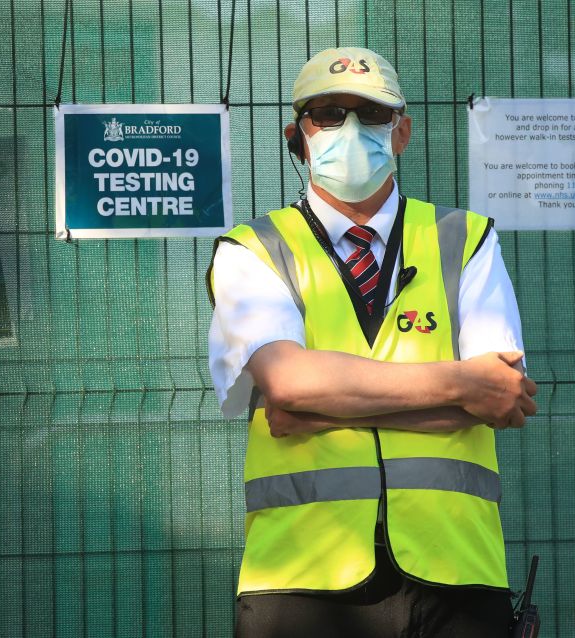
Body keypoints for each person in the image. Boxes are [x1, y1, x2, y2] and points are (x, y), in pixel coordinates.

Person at [206, 46, 538, 638]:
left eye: (371, 114)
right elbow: (287, 382)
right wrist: (460, 383)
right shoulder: (250, 250)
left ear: (402, 131)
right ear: (297, 135)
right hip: (301, 580)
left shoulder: (466, 239)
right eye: (327, 114)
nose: (349, 129)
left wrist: (317, 406)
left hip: (456, 574)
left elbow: (502, 399)